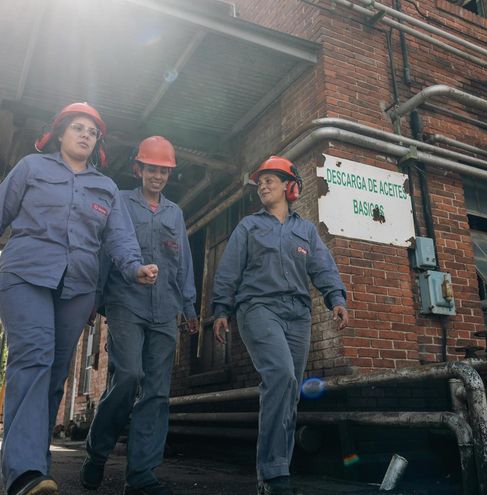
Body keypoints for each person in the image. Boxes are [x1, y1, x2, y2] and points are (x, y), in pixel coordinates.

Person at [0, 102, 159, 495]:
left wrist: (135, 267)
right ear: (60, 133)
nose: (85, 134)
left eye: (92, 131)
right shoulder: (32, 168)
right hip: (25, 276)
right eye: (77, 128)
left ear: (97, 143)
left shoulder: (106, 187)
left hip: (77, 287)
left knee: (52, 377)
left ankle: (35, 473)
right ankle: (24, 473)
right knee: (34, 359)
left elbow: (119, 239)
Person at [211, 156, 349, 495]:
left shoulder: (305, 231)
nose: (263, 185)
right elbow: (229, 270)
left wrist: (337, 299)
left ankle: (276, 472)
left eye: (270, 179)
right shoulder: (248, 227)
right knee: (281, 376)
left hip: (298, 314)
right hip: (258, 308)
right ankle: (273, 472)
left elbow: (322, 267)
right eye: (260, 181)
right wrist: (221, 309)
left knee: (289, 393)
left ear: (291, 187)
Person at [81, 136, 198, 495]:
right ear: (139, 168)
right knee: (129, 374)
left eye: (164, 170)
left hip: (165, 308)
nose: (158, 176)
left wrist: (189, 306)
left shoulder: (174, 213)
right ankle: (98, 452)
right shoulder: (120, 201)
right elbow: (105, 250)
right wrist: (93, 299)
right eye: (152, 168)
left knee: (157, 393)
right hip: (125, 301)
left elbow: (183, 262)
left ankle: (142, 475)